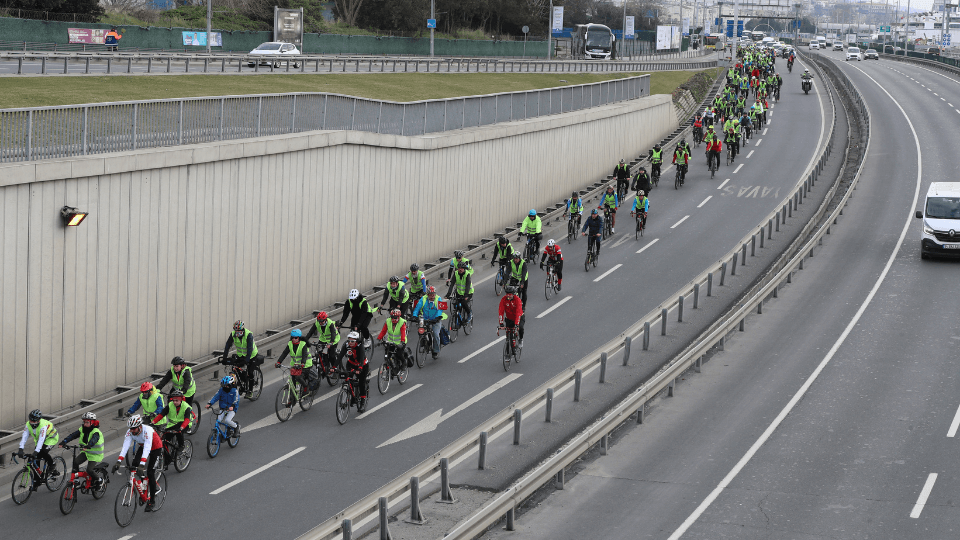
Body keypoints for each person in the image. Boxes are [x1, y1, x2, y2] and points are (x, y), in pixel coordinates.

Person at [112, 415, 161, 512]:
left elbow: (148, 447)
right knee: (134, 465)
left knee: (150, 472)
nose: (132, 431)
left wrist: (142, 464)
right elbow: (125, 447)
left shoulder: (147, 430)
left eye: (134, 429)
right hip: (143, 446)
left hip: (155, 447)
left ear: (140, 426)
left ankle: (152, 500)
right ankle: (143, 486)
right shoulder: (130, 432)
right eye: (131, 429)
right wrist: (118, 461)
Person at [59, 412, 103, 489]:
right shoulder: (82, 429)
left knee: (89, 470)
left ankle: (99, 480)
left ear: (92, 423)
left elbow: (94, 440)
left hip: (95, 454)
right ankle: (76, 480)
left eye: (87, 422)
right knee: (76, 462)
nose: (85, 424)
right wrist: (64, 442)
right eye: (84, 422)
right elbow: (73, 435)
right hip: (86, 452)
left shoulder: (96, 432)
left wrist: (89, 445)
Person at [18, 409, 59, 491]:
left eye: (34, 421)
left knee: (42, 452)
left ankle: (52, 464)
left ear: (38, 420)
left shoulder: (43, 425)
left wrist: (36, 451)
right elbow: (24, 436)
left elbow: (41, 439)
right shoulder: (28, 424)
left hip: (51, 438)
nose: (32, 422)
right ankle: (37, 482)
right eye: (30, 420)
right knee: (35, 460)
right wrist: (20, 448)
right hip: (40, 440)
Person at [219, 320, 262, 399]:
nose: (237, 334)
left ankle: (250, 391)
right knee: (235, 367)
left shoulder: (248, 335)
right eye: (236, 332)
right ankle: (242, 382)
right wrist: (224, 357)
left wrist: (247, 359)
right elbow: (227, 346)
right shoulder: (233, 334)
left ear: (243, 330)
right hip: (241, 354)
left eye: (239, 332)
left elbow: (249, 349)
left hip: (251, 355)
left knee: (250, 372)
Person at [150, 390, 192, 463]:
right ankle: (167, 459)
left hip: (184, 424)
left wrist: (181, 428)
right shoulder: (170, 405)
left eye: (177, 400)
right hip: (172, 424)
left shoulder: (186, 407)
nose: (174, 402)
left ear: (181, 400)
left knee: (178, 432)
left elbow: (187, 419)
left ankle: (181, 446)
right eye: (173, 400)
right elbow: (161, 415)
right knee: (164, 439)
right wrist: (153, 422)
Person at [274, 329, 318, 396]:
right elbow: (284, 353)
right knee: (293, 381)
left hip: (306, 365)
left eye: (296, 338)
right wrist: (278, 362)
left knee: (298, 377)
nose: (293, 339)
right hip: (295, 366)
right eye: (292, 337)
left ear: (299, 338)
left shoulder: (303, 344)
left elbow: (304, 355)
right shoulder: (290, 344)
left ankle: (305, 387)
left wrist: (302, 364)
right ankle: (292, 400)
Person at [412, 286, 446, 359]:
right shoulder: (423, 299)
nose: (432, 296)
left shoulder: (438, 299)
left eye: (433, 294)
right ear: (427, 294)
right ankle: (423, 342)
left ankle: (436, 351)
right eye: (430, 294)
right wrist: (414, 316)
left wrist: (437, 317)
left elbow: (440, 310)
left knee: (436, 334)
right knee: (421, 330)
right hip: (425, 319)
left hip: (436, 319)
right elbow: (417, 308)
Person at [338, 332, 369, 411]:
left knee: (361, 382)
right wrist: (333, 367)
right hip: (351, 364)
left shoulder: (360, 346)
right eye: (349, 341)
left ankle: (362, 401)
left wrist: (360, 368)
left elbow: (362, 359)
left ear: (356, 341)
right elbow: (340, 356)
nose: (350, 343)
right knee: (349, 379)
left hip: (362, 365)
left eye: (352, 341)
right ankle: (352, 397)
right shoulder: (346, 345)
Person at [446, 261, 474, 326]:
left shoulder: (467, 274)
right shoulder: (455, 273)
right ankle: (458, 319)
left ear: (464, 269)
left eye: (462, 268)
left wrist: (466, 295)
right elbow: (452, 284)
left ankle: (469, 313)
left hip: (468, 292)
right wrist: (448, 294)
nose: (460, 269)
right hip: (459, 292)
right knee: (456, 304)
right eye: (459, 268)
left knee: (464, 302)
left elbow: (467, 285)